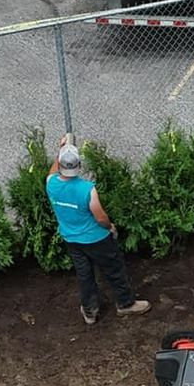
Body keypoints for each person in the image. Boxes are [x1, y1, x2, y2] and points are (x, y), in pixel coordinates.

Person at [46, 133, 150, 325]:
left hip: (72, 240)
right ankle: (125, 304)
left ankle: (90, 311)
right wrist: (110, 227)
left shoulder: (51, 184)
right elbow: (100, 217)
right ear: (78, 166)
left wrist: (61, 149)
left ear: (60, 163)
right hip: (97, 239)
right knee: (114, 269)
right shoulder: (87, 189)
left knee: (84, 275)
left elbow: (53, 171)